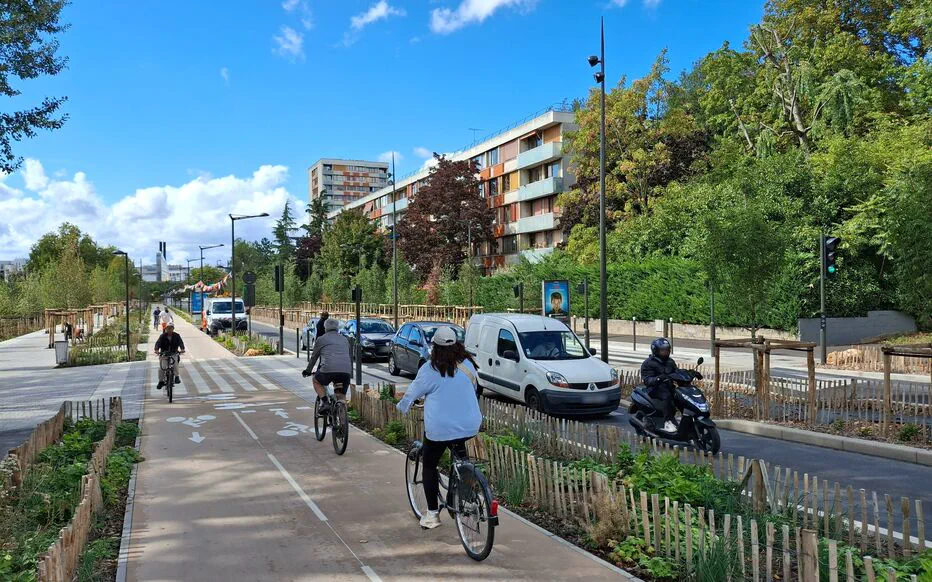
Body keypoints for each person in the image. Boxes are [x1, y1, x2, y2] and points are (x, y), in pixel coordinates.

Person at [396, 326, 482, 530]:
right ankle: (467, 496)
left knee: (429, 464)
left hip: (440, 429)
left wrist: (402, 407)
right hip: (470, 424)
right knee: (461, 456)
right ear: (457, 345)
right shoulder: (468, 364)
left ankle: (433, 514)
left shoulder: (429, 369)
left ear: (435, 346)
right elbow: (476, 388)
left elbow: (411, 394)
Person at [302, 317, 352, 415]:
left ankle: (325, 403)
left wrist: (308, 370)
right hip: (345, 372)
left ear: (325, 328)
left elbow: (314, 357)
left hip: (328, 370)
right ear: (338, 328)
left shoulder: (321, 339)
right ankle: (343, 422)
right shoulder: (345, 339)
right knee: (341, 396)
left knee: (316, 380)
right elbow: (348, 355)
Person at [640, 337, 680, 432]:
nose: (665, 352)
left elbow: (676, 372)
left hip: (668, 387)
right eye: (663, 351)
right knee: (667, 395)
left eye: (667, 350)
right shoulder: (648, 363)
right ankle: (667, 422)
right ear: (655, 351)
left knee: (682, 396)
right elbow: (647, 380)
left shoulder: (670, 361)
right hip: (654, 389)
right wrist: (658, 378)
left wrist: (689, 374)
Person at [154, 323, 185, 390]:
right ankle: (161, 381)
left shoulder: (177, 336)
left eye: (171, 328)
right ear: (166, 329)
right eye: (168, 328)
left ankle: (176, 377)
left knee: (175, 363)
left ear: (173, 329)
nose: (169, 329)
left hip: (173, 353)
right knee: (162, 368)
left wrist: (182, 349)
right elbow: (158, 343)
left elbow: (181, 343)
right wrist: (156, 350)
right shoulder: (162, 336)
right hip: (164, 354)